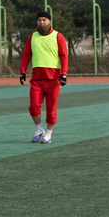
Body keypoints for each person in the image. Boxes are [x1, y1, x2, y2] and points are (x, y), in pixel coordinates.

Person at [19, 10, 68, 143]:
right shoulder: (32, 36)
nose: (42, 22)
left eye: (44, 20)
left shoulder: (58, 36)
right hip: (37, 80)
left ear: (49, 21)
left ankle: (49, 134)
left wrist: (64, 74)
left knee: (51, 109)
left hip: (54, 80)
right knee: (34, 107)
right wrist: (22, 71)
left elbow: (63, 56)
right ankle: (39, 129)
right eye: (39, 20)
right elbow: (26, 55)